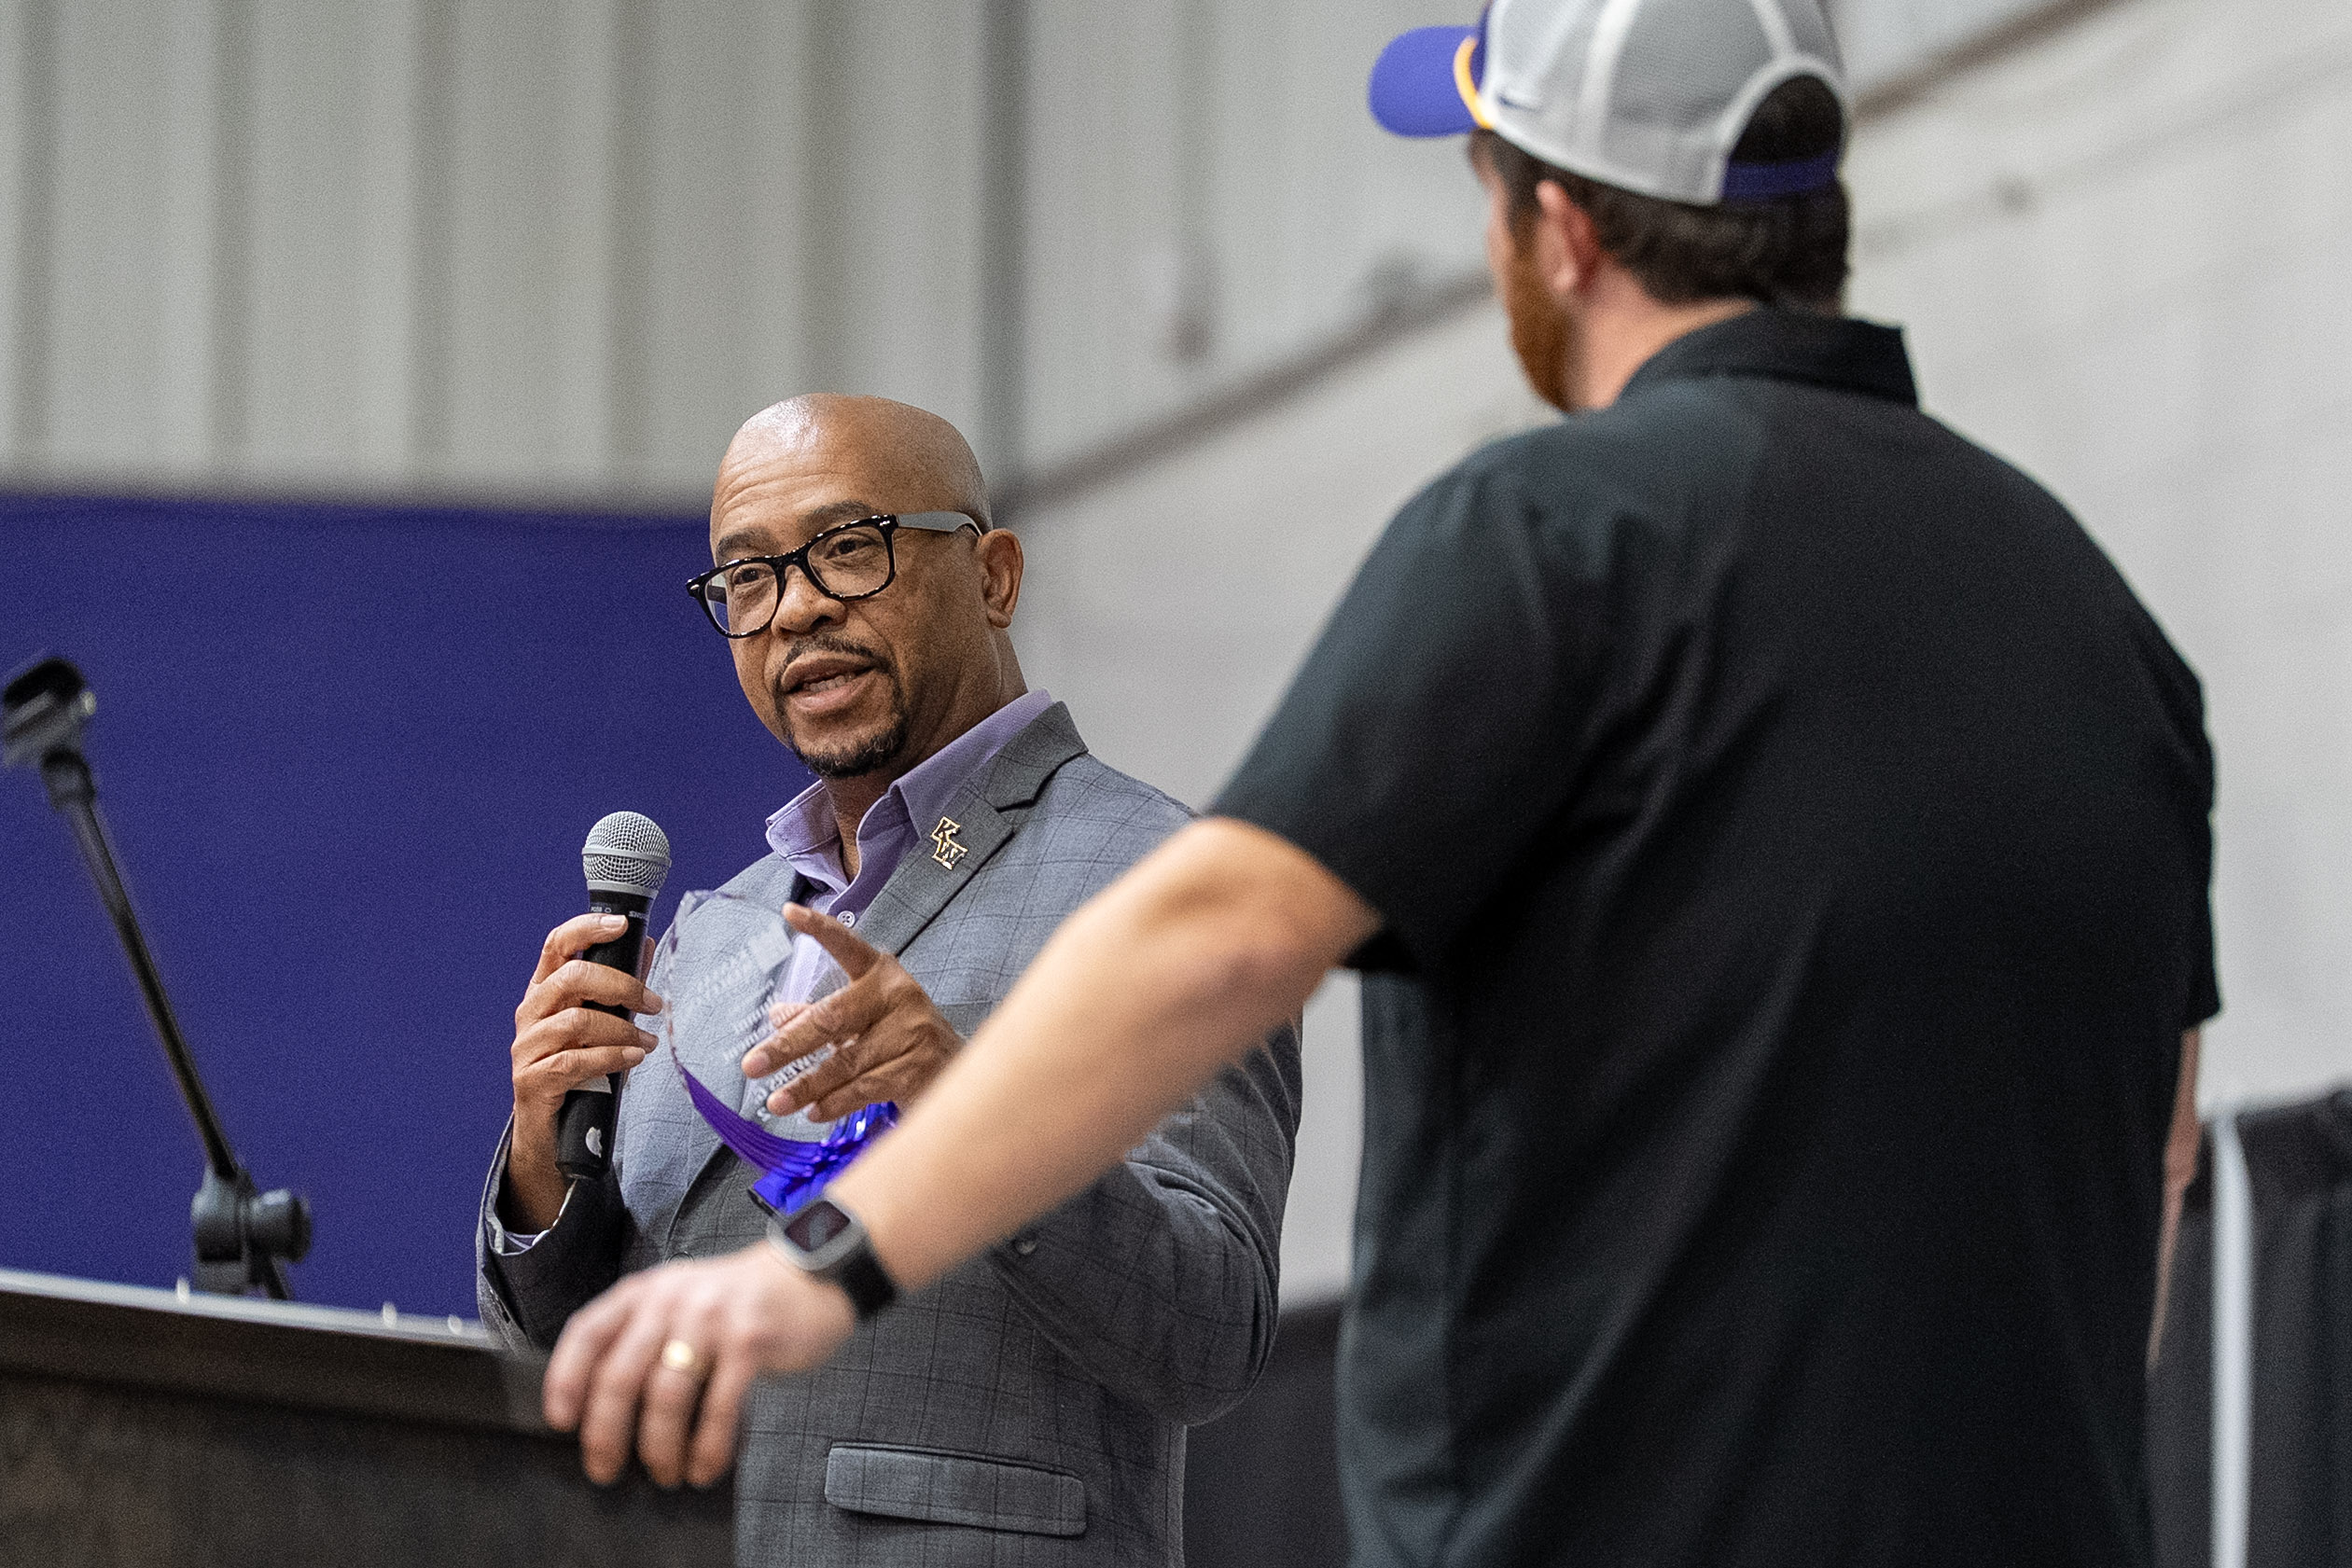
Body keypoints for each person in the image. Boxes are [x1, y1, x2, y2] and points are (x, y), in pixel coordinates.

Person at [543, 6, 2218, 1566]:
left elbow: (1224, 937)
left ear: (1551, 228)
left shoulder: (1553, 535)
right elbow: (2154, 1156)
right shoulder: (2104, 624)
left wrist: (832, 1266)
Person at [477, 394, 1301, 1566]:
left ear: (994, 577)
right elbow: (558, 1348)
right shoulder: (716, 933)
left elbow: (1209, 1334)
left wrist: (970, 1116)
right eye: (746, 579)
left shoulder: (1164, 880)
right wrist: (538, 1158)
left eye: (849, 549)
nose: (797, 607)